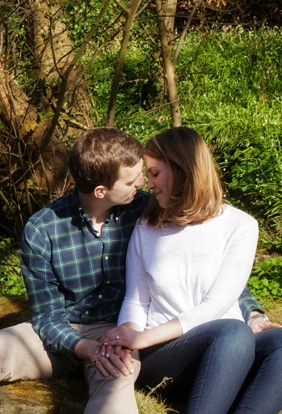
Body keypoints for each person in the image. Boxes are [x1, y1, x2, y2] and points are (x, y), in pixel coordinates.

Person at [0, 127, 266, 414]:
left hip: (120, 330)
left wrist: (251, 312)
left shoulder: (146, 210)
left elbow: (211, 267)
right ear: (100, 191)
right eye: (133, 178)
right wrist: (87, 348)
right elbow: (47, 316)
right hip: (63, 334)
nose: (143, 182)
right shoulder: (44, 229)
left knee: (115, 393)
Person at [98, 126, 282, 414]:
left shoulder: (241, 226)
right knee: (233, 333)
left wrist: (255, 315)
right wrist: (131, 339)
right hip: (167, 351)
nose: (149, 184)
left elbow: (217, 304)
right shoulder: (148, 227)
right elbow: (136, 299)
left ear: (182, 170)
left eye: (155, 173)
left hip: (233, 344)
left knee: (276, 342)